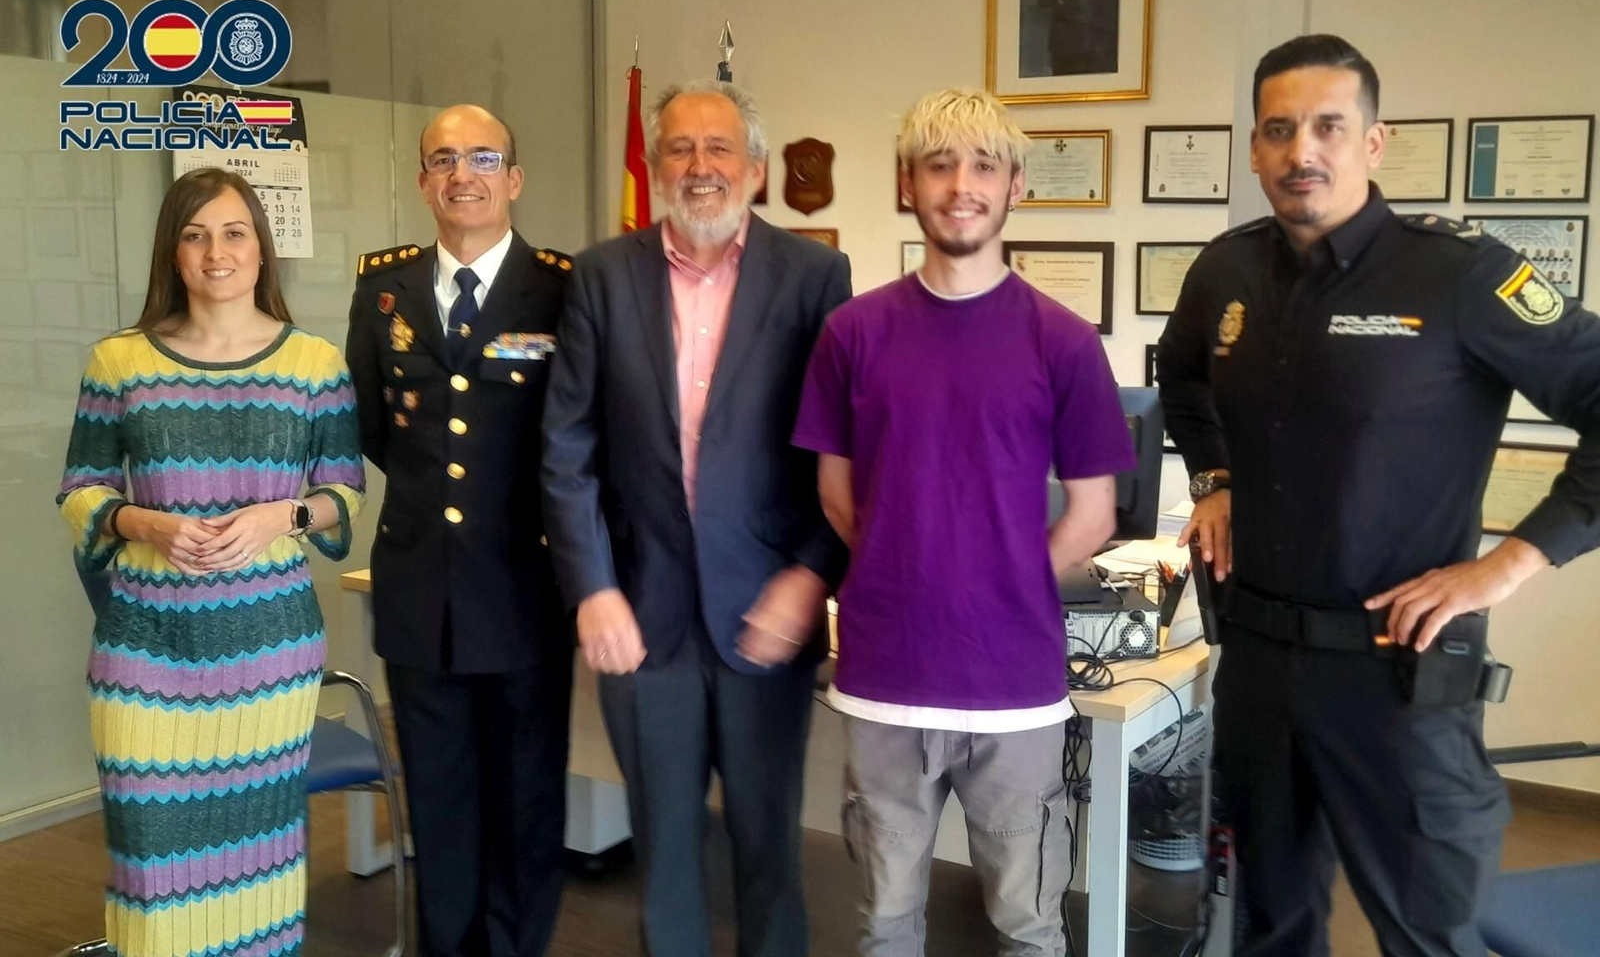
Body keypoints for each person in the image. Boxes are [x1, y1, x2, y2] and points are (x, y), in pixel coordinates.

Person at [1156, 34, 1600, 956]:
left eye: (1327, 126)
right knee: (1266, 923)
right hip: (1259, 664)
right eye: (1278, 130)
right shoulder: (1225, 271)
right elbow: (1184, 379)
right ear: (1253, 147)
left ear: (1373, 142)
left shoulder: (1459, 274)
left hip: (1397, 673)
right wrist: (1215, 479)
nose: (1300, 151)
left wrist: (1510, 564)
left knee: (1425, 930)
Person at [791, 87, 1134, 956]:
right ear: (909, 184)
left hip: (1014, 688)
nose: (961, 185)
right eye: (939, 165)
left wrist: (991, 587)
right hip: (884, 677)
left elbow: (1093, 515)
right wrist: (913, 577)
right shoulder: (852, 333)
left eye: (983, 165)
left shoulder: (1061, 340)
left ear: (1017, 185)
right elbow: (837, 497)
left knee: (1028, 924)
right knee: (886, 920)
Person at [541, 79, 850, 956]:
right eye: (679, 148)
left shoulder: (815, 276)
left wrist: (811, 575)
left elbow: (842, 453)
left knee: (769, 852)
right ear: (656, 165)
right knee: (664, 854)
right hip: (644, 620)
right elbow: (567, 447)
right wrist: (592, 588)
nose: (699, 166)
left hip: (768, 616)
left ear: (756, 169)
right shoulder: (603, 274)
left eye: (720, 149)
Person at [57, 166, 365, 957]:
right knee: (151, 870)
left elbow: (344, 495)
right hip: (145, 656)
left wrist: (281, 515)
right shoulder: (119, 362)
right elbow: (80, 492)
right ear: (173, 253)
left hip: (268, 655)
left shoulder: (314, 364)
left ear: (262, 249)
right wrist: (142, 521)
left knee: (260, 865)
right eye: (194, 235)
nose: (216, 252)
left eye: (234, 233)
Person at [344, 104, 572, 957]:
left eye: (482, 157)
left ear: (514, 177)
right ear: (422, 181)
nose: (462, 174)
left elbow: (579, 434)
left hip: (524, 589)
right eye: (443, 159)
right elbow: (371, 427)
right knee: (439, 801)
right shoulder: (383, 288)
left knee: (524, 801)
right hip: (419, 592)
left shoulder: (562, 287)